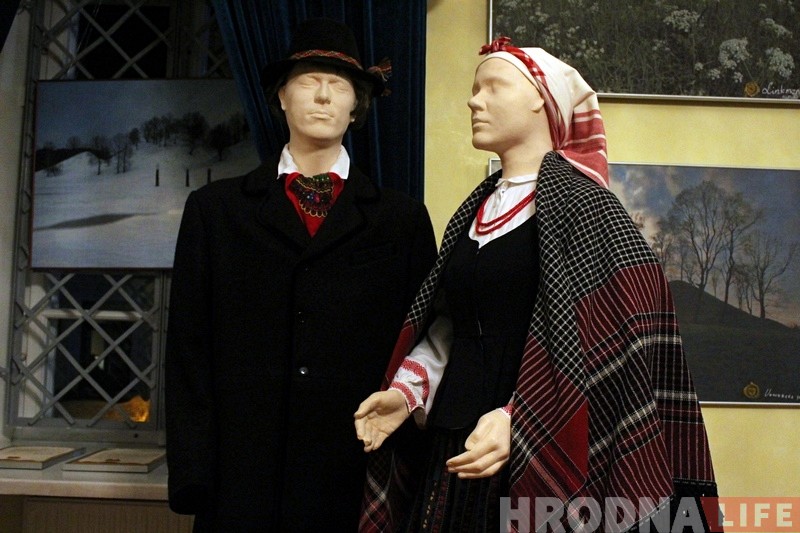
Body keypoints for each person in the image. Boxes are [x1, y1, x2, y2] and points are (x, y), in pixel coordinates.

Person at [355, 37, 718, 532]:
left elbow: (609, 343)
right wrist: (406, 393)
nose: (474, 101)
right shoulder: (475, 209)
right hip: (451, 445)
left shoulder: (588, 208)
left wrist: (518, 417)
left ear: (541, 100)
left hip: (538, 449)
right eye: (474, 89)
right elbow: (450, 325)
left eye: (493, 87)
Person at [165, 18, 437, 531]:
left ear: (356, 106)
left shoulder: (401, 220)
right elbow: (187, 349)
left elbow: (423, 342)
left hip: (355, 470)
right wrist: (192, 472)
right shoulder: (216, 212)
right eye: (309, 81)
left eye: (339, 85)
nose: (324, 96)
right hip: (240, 476)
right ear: (281, 97)